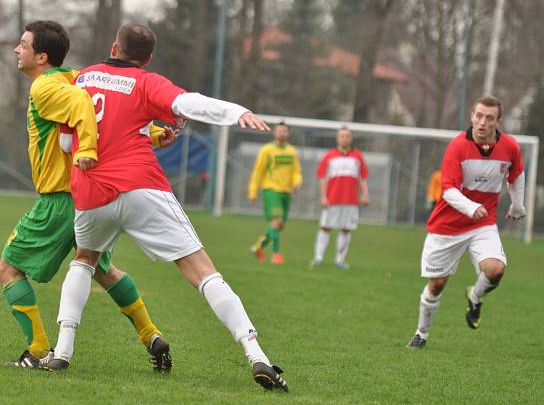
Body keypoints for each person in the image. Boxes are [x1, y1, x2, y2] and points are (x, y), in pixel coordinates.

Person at [46, 23, 289, 392]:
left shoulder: (82, 79)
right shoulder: (145, 82)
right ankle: (256, 353)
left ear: (114, 46)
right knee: (202, 271)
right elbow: (186, 102)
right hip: (141, 187)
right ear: (147, 58)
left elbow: (67, 144)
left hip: (91, 189)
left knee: (84, 260)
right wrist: (235, 112)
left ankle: (62, 351)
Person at [0, 20, 172, 371]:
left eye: (23, 44)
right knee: (102, 271)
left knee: (8, 269)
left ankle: (37, 350)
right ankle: (151, 335)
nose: (17, 49)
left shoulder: (46, 87)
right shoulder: (75, 77)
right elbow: (110, 110)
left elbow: (82, 107)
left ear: (42, 56)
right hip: (88, 197)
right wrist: (151, 132)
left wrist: (85, 149)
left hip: (59, 200)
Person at [407, 96, 526, 349]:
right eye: (479, 116)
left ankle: (475, 295)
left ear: (498, 121)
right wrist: (472, 207)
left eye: (489, 118)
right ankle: (422, 333)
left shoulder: (511, 147)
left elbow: (516, 175)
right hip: (447, 226)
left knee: (495, 270)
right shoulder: (457, 146)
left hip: (482, 225)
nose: (483, 122)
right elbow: (448, 190)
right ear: (472, 116)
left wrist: (517, 205)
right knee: (437, 283)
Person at [310, 127, 369, 269]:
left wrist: (365, 194)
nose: (344, 138)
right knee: (325, 227)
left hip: (351, 201)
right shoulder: (329, 156)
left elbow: (362, 178)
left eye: (347, 136)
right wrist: (323, 197)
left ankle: (340, 260)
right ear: (337, 138)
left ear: (351, 138)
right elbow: (322, 178)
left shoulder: (357, 156)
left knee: (346, 229)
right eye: (342, 136)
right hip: (332, 199)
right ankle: (318, 258)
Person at [247, 121, 302, 265]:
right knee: (276, 223)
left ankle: (258, 247)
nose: (282, 133)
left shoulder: (292, 151)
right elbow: (258, 171)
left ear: (288, 133)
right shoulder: (267, 150)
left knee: (280, 225)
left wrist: (297, 182)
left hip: (286, 192)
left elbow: (296, 171)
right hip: (271, 190)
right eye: (279, 131)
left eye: (284, 131)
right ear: (274, 133)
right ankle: (276, 255)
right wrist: (253, 190)